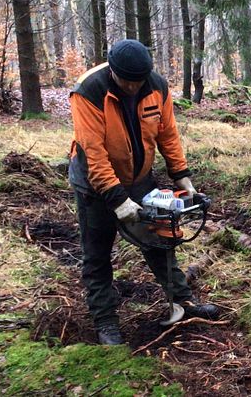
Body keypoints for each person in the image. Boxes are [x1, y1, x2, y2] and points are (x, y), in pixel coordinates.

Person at [68, 39, 219, 345]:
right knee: (97, 255)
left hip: (140, 179)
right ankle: (106, 322)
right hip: (94, 188)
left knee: (160, 241)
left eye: (139, 82)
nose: (134, 87)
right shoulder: (89, 91)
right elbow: (94, 154)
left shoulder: (156, 86)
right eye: (128, 82)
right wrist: (118, 200)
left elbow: (168, 135)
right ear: (114, 72)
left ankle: (183, 302)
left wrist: (182, 178)